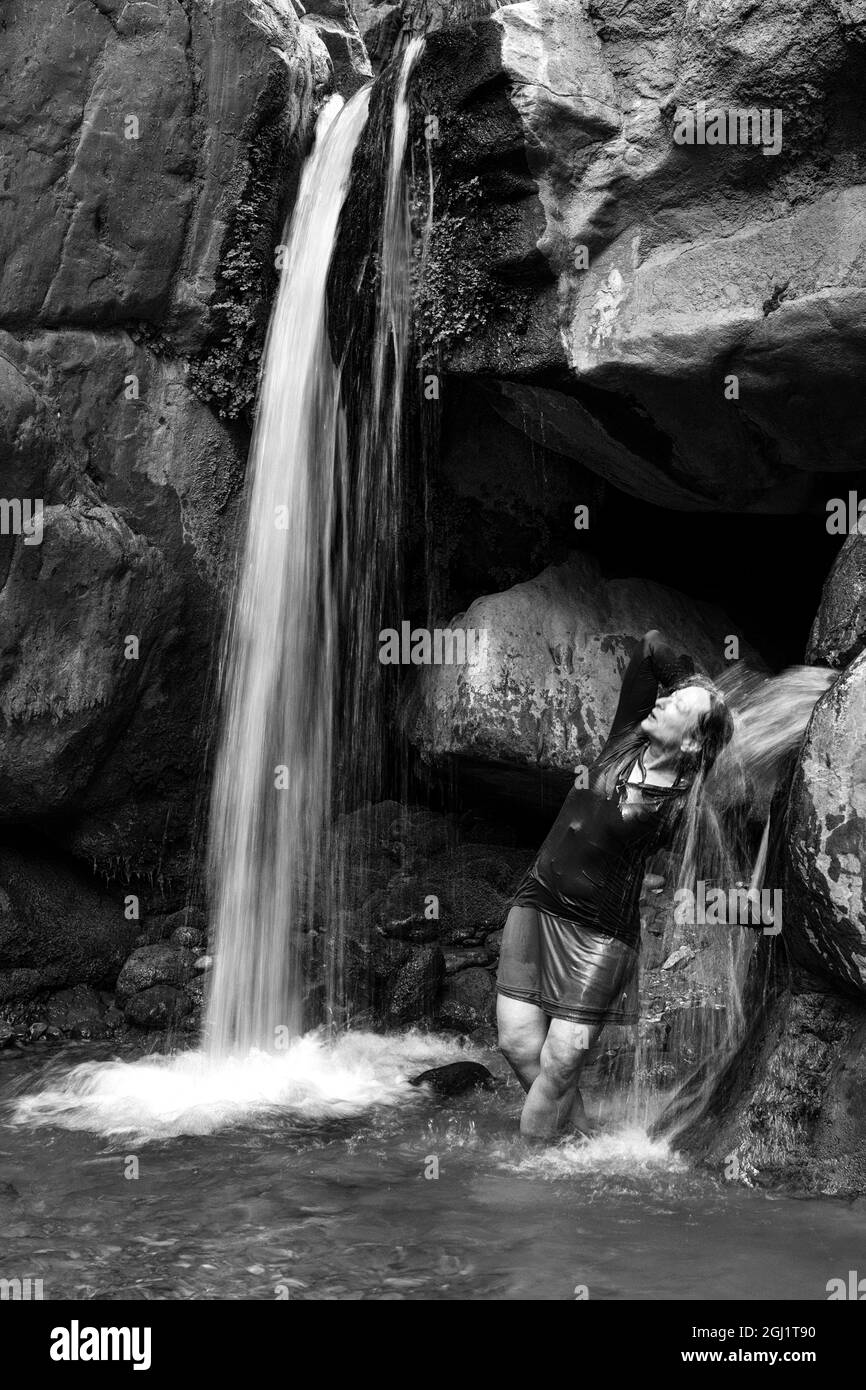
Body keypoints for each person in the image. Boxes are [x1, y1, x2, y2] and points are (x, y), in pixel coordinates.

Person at [496, 629, 734, 1141]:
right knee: (518, 1047)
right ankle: (580, 1144)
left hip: (602, 933)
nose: (664, 701)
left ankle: (525, 1176)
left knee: (563, 1057)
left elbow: (715, 869)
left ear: (692, 740)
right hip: (538, 902)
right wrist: (699, 687)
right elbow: (651, 645)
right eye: (669, 695)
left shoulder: (683, 806)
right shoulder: (628, 733)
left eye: (677, 706)